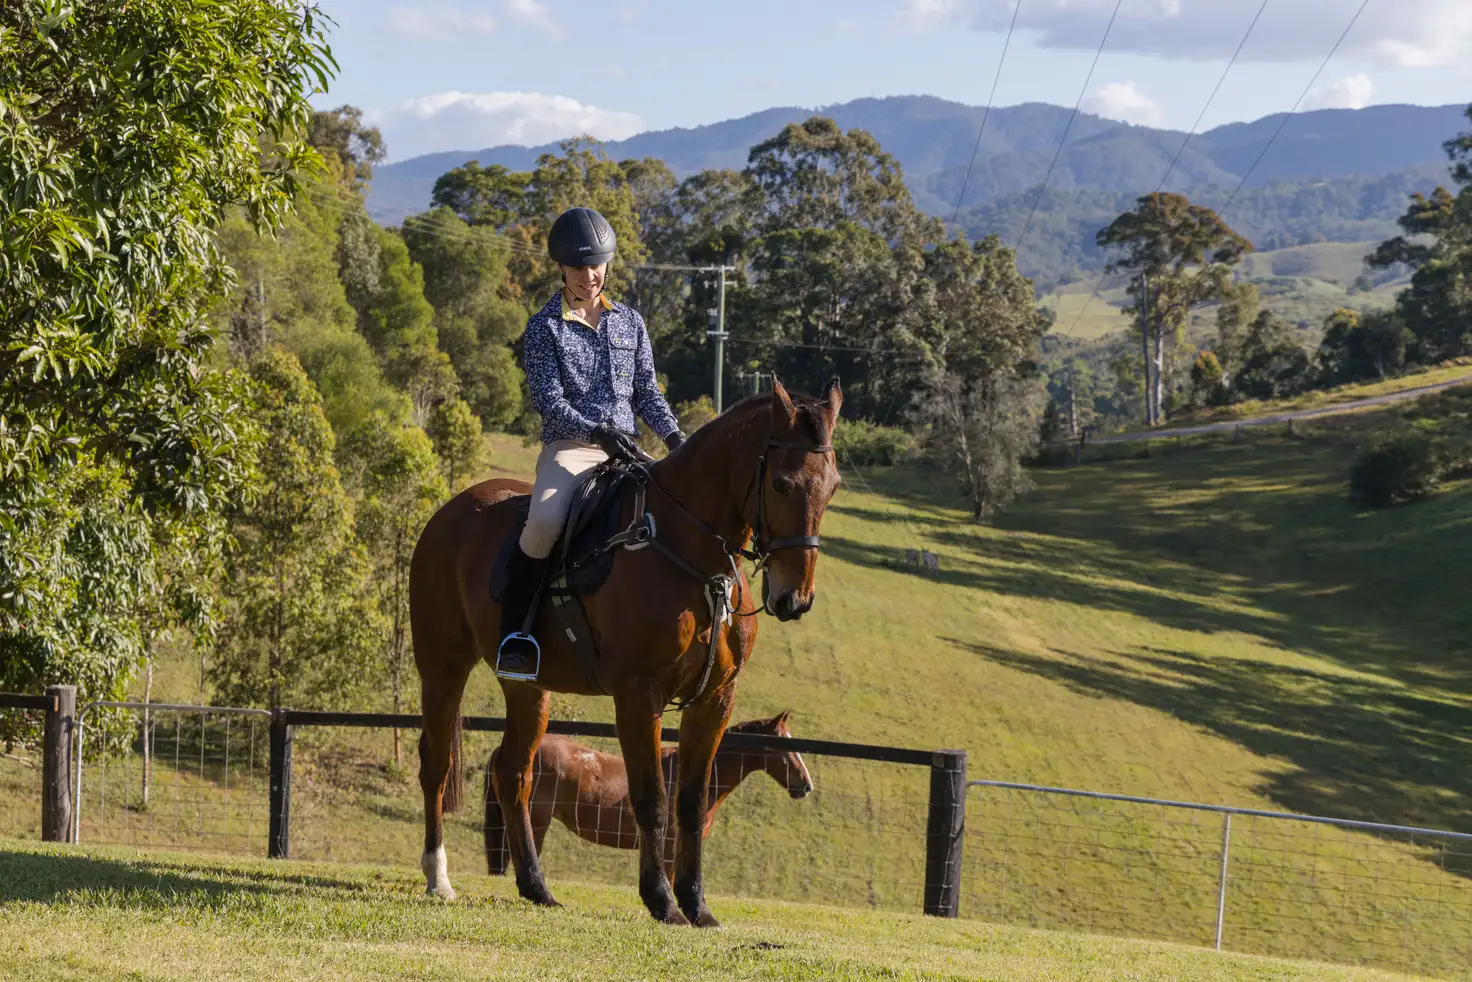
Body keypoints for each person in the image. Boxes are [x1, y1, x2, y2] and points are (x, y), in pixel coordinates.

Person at [496, 206, 686, 679]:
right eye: (579, 268)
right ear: (561, 267)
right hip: (572, 448)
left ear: (607, 264)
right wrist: (595, 431)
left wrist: (677, 438)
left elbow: (647, 393)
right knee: (542, 522)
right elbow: (548, 400)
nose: (589, 276)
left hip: (630, 452)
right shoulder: (544, 328)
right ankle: (515, 635)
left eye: (596, 265)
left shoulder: (630, 323)